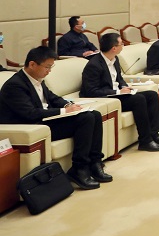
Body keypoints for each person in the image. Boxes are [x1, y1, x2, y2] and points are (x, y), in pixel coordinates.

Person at [0, 46, 111, 190]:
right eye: (47, 67)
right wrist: (63, 111)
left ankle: (95, 163)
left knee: (94, 114)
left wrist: (69, 105)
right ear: (32, 64)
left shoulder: (37, 79)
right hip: (33, 126)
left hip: (44, 121)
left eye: (51, 67)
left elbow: (52, 98)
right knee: (85, 119)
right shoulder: (15, 85)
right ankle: (79, 168)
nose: (49, 71)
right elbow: (30, 113)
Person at [81, 33, 159, 152]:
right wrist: (118, 91)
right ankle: (145, 141)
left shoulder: (115, 59)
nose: (123, 45)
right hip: (106, 97)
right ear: (114, 48)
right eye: (121, 44)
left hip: (119, 94)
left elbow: (119, 79)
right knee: (139, 99)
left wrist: (124, 87)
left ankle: (154, 134)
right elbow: (91, 91)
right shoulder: (94, 65)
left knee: (151, 95)